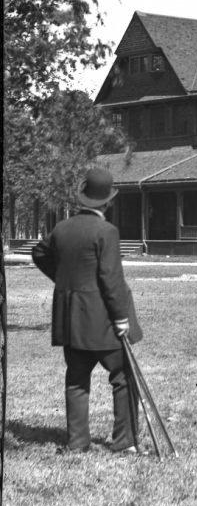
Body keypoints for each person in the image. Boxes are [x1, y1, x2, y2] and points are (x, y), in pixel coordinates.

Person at [32, 166, 143, 454]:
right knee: (123, 377)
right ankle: (124, 441)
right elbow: (111, 279)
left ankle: (77, 442)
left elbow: (39, 253)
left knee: (77, 380)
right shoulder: (107, 231)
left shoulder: (62, 228)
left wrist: (63, 279)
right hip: (103, 321)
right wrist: (121, 318)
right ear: (107, 202)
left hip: (71, 321)